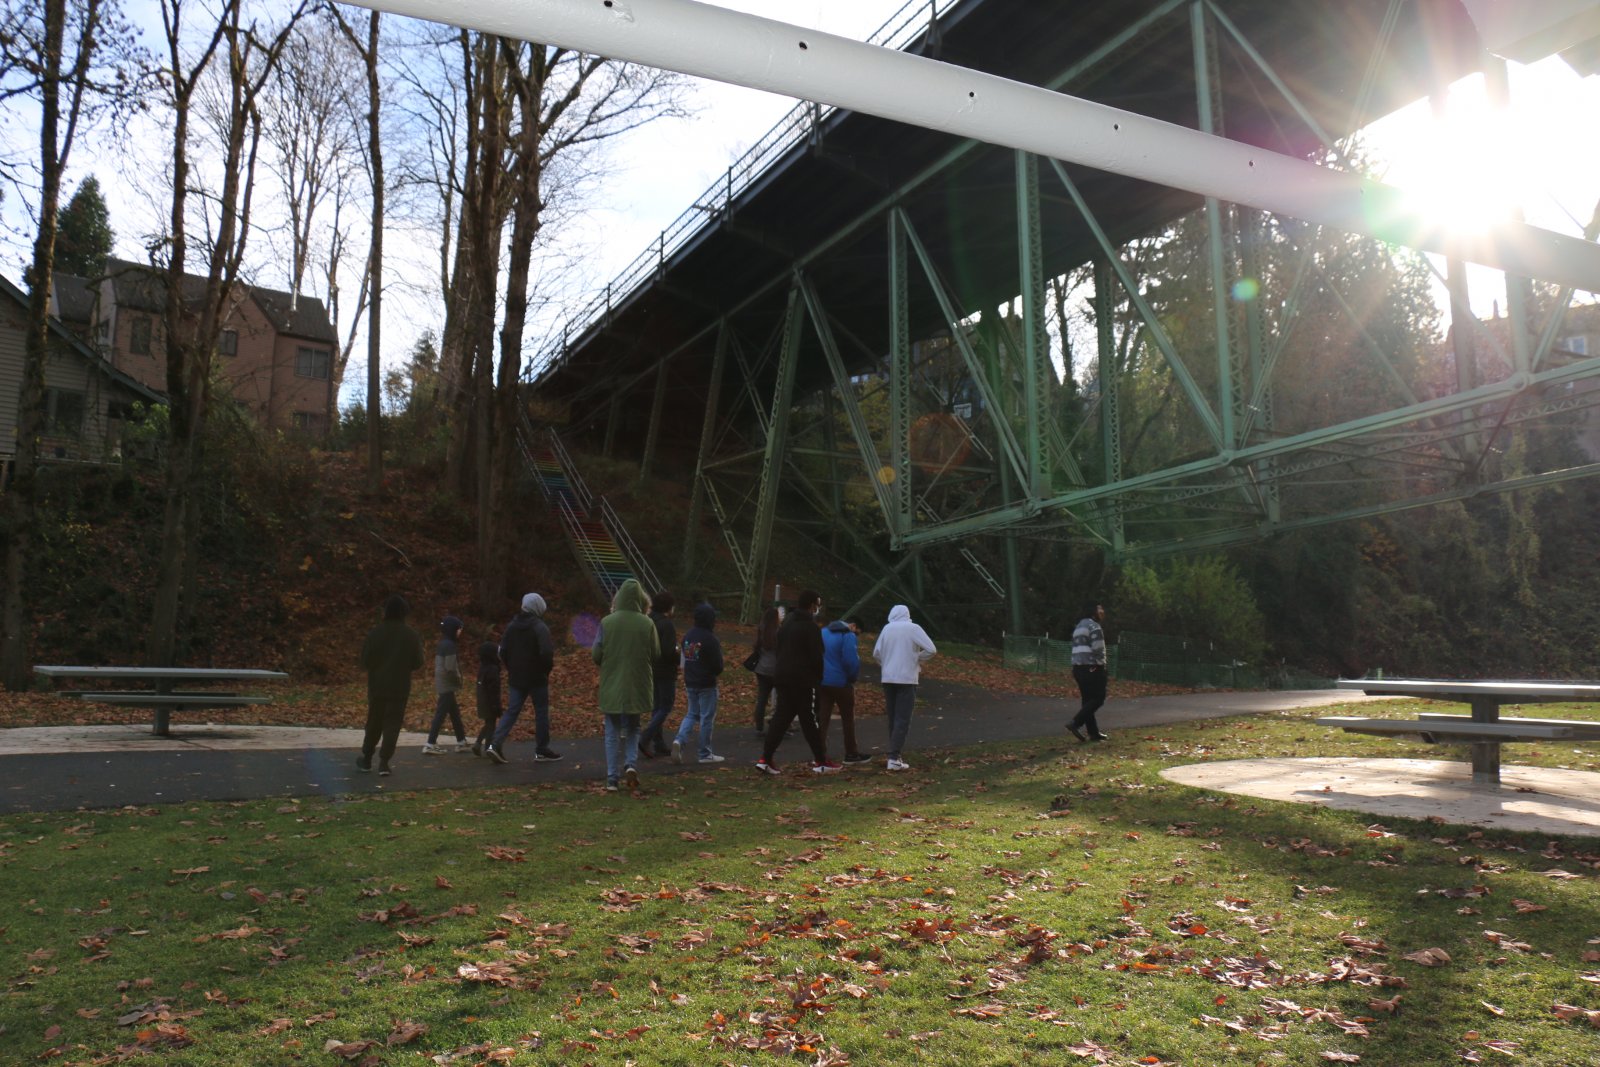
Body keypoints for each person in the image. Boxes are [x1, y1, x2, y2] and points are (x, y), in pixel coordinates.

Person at [757, 590, 839, 776]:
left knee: (781, 718)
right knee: (809, 719)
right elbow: (817, 657)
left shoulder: (787, 624)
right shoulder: (810, 627)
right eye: (817, 604)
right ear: (811, 605)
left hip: (783, 676)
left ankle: (766, 758)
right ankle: (821, 759)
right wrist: (817, 679)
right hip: (803, 680)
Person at [592, 578, 659, 792]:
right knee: (633, 726)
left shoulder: (607, 622)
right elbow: (655, 653)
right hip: (637, 683)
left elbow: (596, 654)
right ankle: (631, 763)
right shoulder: (647, 623)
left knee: (611, 730)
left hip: (612, 682)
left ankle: (612, 777)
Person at [487, 593, 561, 764]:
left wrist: (512, 667)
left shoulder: (512, 626)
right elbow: (547, 653)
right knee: (541, 712)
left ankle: (495, 744)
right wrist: (545, 671)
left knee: (512, 711)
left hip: (517, 677)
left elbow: (502, 651)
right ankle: (541, 749)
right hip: (537, 678)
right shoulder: (540, 627)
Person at [357, 594, 425, 776]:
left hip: (377, 686)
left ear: (385, 611)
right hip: (400, 687)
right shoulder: (411, 635)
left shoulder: (375, 634)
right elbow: (418, 662)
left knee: (374, 722)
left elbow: (365, 661)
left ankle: (366, 758)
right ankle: (384, 762)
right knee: (392, 724)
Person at [872, 604, 936, 772]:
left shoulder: (887, 628)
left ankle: (894, 754)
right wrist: (916, 658)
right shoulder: (913, 628)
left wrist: (886, 664)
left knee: (893, 717)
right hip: (907, 678)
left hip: (888, 677)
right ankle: (893, 757)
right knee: (903, 718)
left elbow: (876, 653)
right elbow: (931, 649)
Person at [673, 601, 725, 764]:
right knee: (706, 717)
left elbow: (685, 660)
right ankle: (704, 753)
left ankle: (679, 740)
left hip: (691, 681)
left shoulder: (688, 636)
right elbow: (718, 666)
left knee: (691, 714)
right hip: (706, 684)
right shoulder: (711, 639)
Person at [819, 615, 870, 763]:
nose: (857, 636)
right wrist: (852, 678)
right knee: (847, 719)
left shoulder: (823, 632)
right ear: (853, 626)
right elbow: (851, 661)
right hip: (842, 683)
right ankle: (851, 753)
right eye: (858, 633)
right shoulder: (848, 636)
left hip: (823, 681)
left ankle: (819, 753)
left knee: (822, 718)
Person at [639, 591, 679, 759]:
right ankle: (646, 737)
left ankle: (659, 742)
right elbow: (668, 651)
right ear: (669, 607)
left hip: (650, 668)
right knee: (666, 705)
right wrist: (678, 654)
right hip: (665, 670)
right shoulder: (666, 625)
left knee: (657, 705)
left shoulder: (647, 621)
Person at [423, 615, 471, 753]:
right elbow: (450, 668)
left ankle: (461, 741)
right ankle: (430, 743)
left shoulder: (443, 643)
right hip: (447, 684)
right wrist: (458, 680)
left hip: (443, 683)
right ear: (452, 630)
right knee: (440, 714)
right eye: (458, 629)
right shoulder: (450, 645)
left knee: (454, 714)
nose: (460, 632)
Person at [1068, 601, 1110, 743]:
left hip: (1078, 668)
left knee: (1087, 700)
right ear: (1093, 611)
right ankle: (1076, 723)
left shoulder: (1078, 626)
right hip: (1092, 667)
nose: (1102, 611)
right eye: (1100, 609)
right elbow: (1098, 649)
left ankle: (1093, 733)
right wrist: (1101, 666)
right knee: (1099, 698)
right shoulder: (1094, 626)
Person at [749, 606, 780, 735]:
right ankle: (778, 724)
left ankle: (759, 727)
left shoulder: (761, 630)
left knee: (762, 698)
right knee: (782, 698)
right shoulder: (778, 632)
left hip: (761, 668)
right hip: (776, 669)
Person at [472, 629, 502, 756]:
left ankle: (478, 743)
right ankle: (489, 748)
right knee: (491, 726)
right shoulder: (493, 670)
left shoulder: (483, 669)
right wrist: (496, 705)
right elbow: (493, 689)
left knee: (488, 723)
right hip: (490, 702)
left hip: (483, 700)